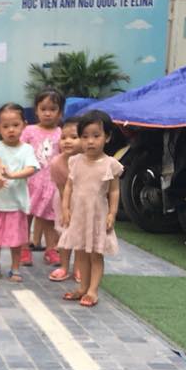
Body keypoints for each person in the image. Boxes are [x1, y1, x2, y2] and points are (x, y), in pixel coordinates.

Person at [59, 110, 123, 308]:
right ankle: (82, 288)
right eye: (85, 136)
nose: (90, 141)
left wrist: (112, 213)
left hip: (97, 216)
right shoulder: (75, 161)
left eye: (96, 135)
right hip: (78, 215)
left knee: (95, 254)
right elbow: (69, 186)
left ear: (108, 137)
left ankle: (93, 291)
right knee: (80, 253)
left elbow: (114, 191)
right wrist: (65, 208)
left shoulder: (110, 164)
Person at [0, 103, 39, 282]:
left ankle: (15, 268)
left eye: (15, 125)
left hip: (15, 203)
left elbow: (32, 168)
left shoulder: (27, 149)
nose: (11, 130)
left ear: (24, 125)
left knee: (16, 240)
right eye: (5, 126)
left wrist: (12, 175)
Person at [21, 88, 64, 268]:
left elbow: (64, 157)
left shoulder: (61, 133)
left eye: (52, 109)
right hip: (29, 183)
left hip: (51, 184)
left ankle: (51, 249)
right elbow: (20, 152)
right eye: (43, 109)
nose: (47, 113)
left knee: (49, 218)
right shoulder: (29, 131)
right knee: (26, 216)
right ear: (36, 110)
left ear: (60, 112)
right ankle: (23, 248)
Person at [48, 116, 82, 283]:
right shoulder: (56, 163)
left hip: (85, 204)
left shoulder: (89, 161)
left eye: (74, 137)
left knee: (81, 238)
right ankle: (63, 266)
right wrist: (66, 210)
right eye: (63, 137)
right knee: (64, 235)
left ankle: (79, 267)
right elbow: (62, 190)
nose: (67, 141)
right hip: (63, 202)